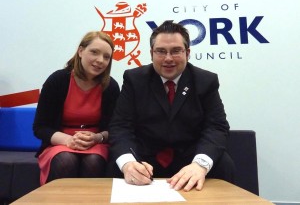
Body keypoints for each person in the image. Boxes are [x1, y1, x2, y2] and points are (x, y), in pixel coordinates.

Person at [106, 21, 235, 191]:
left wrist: (200, 165)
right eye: (161, 51)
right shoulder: (134, 79)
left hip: (189, 158)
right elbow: (120, 126)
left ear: (187, 53)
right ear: (151, 53)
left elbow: (217, 127)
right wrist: (128, 163)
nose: (168, 58)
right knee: (116, 165)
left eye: (176, 51)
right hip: (144, 159)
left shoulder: (206, 81)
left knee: (224, 164)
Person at [33, 31, 120, 185]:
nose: (100, 60)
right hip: (60, 142)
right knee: (66, 160)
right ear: (81, 51)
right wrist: (68, 140)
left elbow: (116, 128)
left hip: (96, 143)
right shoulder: (57, 80)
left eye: (106, 57)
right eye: (94, 52)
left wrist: (97, 137)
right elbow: (40, 127)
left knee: (93, 161)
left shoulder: (111, 86)